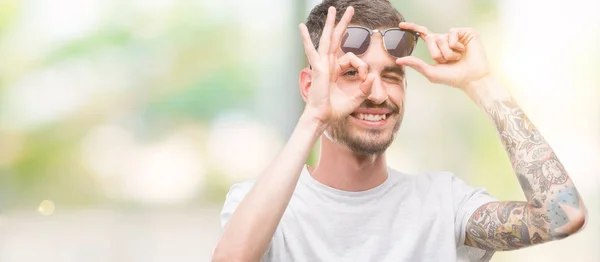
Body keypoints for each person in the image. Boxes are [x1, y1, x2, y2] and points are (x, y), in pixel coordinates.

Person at [211, 0, 588, 261]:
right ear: (311, 85)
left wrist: (482, 82)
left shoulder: (444, 203)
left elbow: (562, 216)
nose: (376, 92)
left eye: (391, 76)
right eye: (351, 73)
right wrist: (314, 117)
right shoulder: (258, 205)